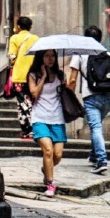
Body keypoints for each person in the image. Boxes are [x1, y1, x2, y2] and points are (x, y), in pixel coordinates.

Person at [67, 26, 110, 176]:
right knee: (97, 126)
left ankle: (101, 160)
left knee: (95, 128)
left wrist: (69, 95)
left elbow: (73, 79)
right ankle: (94, 155)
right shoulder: (108, 55)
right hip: (108, 96)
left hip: (91, 97)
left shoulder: (80, 54)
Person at [27, 49, 66, 197]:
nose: (50, 59)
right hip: (40, 118)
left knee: (58, 155)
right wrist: (43, 76)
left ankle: (46, 168)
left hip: (57, 118)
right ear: (40, 58)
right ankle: (50, 184)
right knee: (48, 151)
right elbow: (35, 94)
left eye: (53, 56)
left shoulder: (61, 75)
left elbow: (68, 93)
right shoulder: (33, 75)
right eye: (47, 56)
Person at [7, 16, 38, 138]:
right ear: (30, 27)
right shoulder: (36, 39)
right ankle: (35, 128)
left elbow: (12, 56)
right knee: (33, 102)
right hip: (34, 75)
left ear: (18, 26)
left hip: (19, 75)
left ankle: (26, 130)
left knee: (22, 104)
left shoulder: (15, 38)